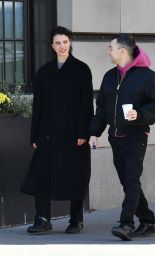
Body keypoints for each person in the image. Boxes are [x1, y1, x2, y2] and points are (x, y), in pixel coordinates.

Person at [21, 26, 93, 234]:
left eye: (65, 42)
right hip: (47, 134)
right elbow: (38, 106)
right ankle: (42, 219)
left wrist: (83, 133)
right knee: (42, 176)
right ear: (51, 46)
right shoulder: (44, 72)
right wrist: (34, 135)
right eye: (57, 43)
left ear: (70, 42)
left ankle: (76, 219)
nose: (62, 46)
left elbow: (86, 105)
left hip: (73, 134)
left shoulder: (81, 69)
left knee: (75, 175)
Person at [89, 33, 155, 241]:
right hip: (115, 136)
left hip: (136, 135)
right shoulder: (110, 76)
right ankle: (148, 220)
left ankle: (126, 223)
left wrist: (140, 114)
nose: (108, 51)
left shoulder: (147, 77)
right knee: (127, 182)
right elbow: (101, 108)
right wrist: (93, 132)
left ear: (123, 51)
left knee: (132, 180)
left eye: (111, 48)